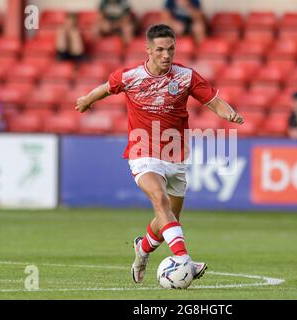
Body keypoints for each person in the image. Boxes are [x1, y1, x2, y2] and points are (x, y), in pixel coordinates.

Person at [75, 24, 243, 283]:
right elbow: (106, 88)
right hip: (143, 152)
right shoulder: (131, 76)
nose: (167, 55)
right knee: (159, 198)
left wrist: (229, 113)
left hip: (175, 157)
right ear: (149, 50)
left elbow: (213, 101)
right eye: (161, 50)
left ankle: (142, 250)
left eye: (171, 49)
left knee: (167, 219)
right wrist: (87, 99)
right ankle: (184, 259)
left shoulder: (186, 77)